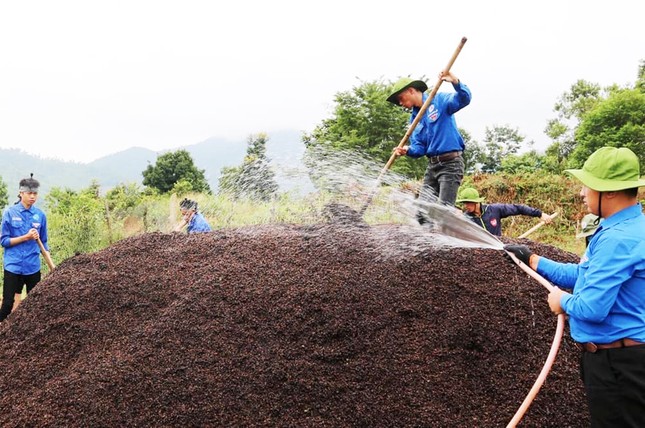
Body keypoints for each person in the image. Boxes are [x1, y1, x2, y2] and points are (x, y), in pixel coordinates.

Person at [504, 146, 645, 427]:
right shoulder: (630, 227)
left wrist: (561, 301)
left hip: (618, 365)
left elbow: (591, 308)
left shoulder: (617, 239)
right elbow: (584, 275)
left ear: (611, 192)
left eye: (588, 186)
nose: (582, 193)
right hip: (623, 358)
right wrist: (533, 260)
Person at [388, 72, 472, 222]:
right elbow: (419, 147)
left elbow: (464, 99)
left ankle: (447, 243)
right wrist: (407, 150)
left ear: (411, 90)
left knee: (443, 211)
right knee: (422, 214)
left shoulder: (439, 100)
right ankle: (427, 244)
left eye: (400, 98)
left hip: (450, 164)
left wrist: (455, 82)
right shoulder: (415, 119)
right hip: (432, 166)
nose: (400, 103)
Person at [0, 175, 51, 322]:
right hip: (13, 266)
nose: (32, 196)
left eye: (35, 193)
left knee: (35, 304)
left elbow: (44, 241)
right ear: (21, 193)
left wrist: (47, 255)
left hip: (32, 267)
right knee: (8, 304)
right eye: (29, 193)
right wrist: (25, 237)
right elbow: (4, 241)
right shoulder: (10, 213)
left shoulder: (40, 215)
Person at [455, 187, 552, 236]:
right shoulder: (466, 218)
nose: (466, 206)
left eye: (468, 203)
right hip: (480, 255)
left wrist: (540, 214)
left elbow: (518, 208)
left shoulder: (493, 209)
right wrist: (455, 220)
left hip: (498, 250)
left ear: (476, 202)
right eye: (464, 203)